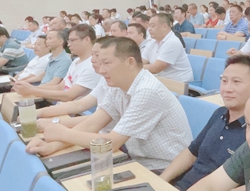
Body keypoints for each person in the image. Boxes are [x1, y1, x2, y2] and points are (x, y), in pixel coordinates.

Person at [26, 37, 193, 170]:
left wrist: (62, 133)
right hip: (136, 158)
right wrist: (52, 146)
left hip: (162, 168)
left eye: (107, 63)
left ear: (130, 62)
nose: (101, 70)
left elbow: (110, 144)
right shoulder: (117, 84)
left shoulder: (147, 91)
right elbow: (92, 124)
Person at [161, 55, 250, 191]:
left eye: (236, 82)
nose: (227, 89)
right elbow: (191, 153)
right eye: (224, 81)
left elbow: (248, 188)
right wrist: (161, 181)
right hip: (181, 188)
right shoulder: (219, 113)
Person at [34, 38, 112, 131]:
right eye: (92, 55)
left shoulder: (92, 71)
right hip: (89, 128)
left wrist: (54, 123)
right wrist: (37, 112)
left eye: (97, 55)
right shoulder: (103, 80)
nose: (92, 60)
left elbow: (70, 97)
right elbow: (79, 105)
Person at [13, 24, 101, 102]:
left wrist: (32, 90)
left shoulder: (92, 66)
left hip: (72, 110)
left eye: (72, 40)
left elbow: (69, 96)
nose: (69, 44)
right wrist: (30, 88)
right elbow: (60, 87)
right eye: (68, 41)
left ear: (86, 40)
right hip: (61, 104)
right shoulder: (76, 61)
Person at [142, 14, 193, 83]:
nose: (149, 29)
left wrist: (135, 68)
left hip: (179, 84)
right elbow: (141, 61)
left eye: (153, 26)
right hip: (161, 81)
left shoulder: (172, 42)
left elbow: (156, 68)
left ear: (164, 26)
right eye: (149, 26)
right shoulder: (152, 42)